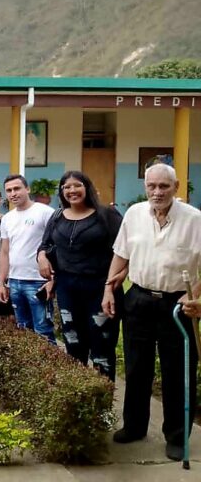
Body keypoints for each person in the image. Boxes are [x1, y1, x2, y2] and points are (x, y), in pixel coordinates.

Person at [103, 163, 201, 462]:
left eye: (164, 186)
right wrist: (108, 288)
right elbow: (121, 253)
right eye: (152, 186)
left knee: (177, 371)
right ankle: (134, 426)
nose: (157, 192)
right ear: (145, 187)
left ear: (176, 187)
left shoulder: (195, 219)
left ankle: (176, 436)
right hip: (139, 299)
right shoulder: (134, 214)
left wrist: (196, 296)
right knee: (135, 367)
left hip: (179, 304)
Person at [37, 171, 123, 380]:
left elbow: (123, 251)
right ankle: (79, 396)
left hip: (101, 288)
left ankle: (104, 404)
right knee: (73, 343)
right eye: (67, 187)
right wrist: (41, 258)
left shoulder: (107, 215)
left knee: (102, 347)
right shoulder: (57, 216)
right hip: (68, 288)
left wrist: (112, 285)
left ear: (87, 188)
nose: (72, 190)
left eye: (77, 185)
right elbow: (46, 245)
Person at [0, 175, 55, 343]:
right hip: (15, 282)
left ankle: (47, 369)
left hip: (38, 282)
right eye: (9, 190)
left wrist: (52, 279)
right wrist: (2, 283)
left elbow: (56, 246)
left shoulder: (45, 212)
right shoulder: (8, 218)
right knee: (23, 331)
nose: (13, 193)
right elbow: (5, 252)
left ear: (27, 189)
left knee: (43, 331)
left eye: (17, 188)